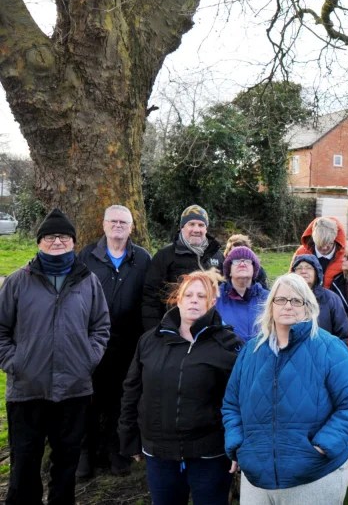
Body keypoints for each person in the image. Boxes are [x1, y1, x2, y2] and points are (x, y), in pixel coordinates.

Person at [222, 274, 348, 504]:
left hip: (314, 475)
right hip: (257, 478)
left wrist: (322, 446)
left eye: (296, 300)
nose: (288, 305)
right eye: (280, 300)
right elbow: (231, 404)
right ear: (270, 306)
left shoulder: (330, 348)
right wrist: (238, 444)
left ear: (308, 307)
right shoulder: (251, 351)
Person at [0, 209, 110, 505]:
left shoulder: (88, 281)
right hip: (27, 390)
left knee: (67, 462)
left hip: (74, 388)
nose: (57, 241)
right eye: (50, 236)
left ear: (73, 242)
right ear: (39, 242)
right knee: (24, 462)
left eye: (63, 236)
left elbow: (101, 326)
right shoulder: (17, 281)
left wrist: (88, 358)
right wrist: (16, 362)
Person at [118, 271, 241, 505]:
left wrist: (238, 446)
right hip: (159, 452)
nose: (194, 300)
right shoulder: (150, 341)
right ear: (178, 299)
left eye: (201, 296)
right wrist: (128, 437)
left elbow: (240, 401)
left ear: (212, 302)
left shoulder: (229, 346)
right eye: (189, 295)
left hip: (209, 453)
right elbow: (132, 390)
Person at [76, 205, 152, 478]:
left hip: (128, 343)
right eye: (113, 221)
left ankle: (117, 452)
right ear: (104, 224)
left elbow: (149, 299)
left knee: (121, 400)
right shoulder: (87, 256)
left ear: (131, 227)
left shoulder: (142, 259)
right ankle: (86, 454)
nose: (118, 226)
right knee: (88, 399)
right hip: (91, 343)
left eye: (124, 222)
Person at [143, 205, 224, 330]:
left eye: (201, 225)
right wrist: (154, 330)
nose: (196, 229)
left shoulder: (217, 256)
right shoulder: (165, 256)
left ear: (206, 229)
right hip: (173, 328)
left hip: (209, 328)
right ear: (182, 227)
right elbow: (150, 297)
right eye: (191, 224)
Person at [217, 246, 270, 343]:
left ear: (254, 269)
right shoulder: (215, 298)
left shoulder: (269, 298)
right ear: (229, 271)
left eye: (247, 261)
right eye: (236, 261)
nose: (242, 264)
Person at [291, 254, 348, 341]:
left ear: (316, 273)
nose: (303, 271)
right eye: (299, 268)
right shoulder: (285, 298)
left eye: (308, 268)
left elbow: (344, 335)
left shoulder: (331, 299)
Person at [290, 216, 347, 288]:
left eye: (329, 243)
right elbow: (291, 279)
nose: (324, 248)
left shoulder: (347, 255)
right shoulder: (301, 253)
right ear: (313, 239)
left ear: (335, 238)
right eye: (320, 244)